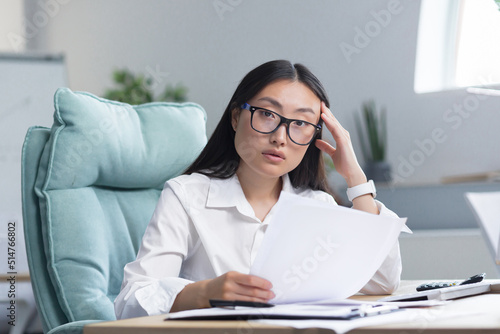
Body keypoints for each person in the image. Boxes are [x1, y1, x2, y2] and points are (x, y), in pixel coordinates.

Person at [114, 60, 403, 319]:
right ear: (236, 117)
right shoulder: (186, 194)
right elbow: (131, 301)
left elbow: (382, 281)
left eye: (300, 123)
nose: (280, 137)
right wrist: (202, 293)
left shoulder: (317, 205)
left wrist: (356, 179)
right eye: (266, 114)